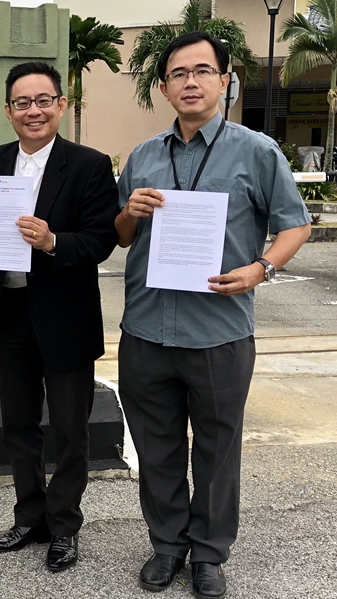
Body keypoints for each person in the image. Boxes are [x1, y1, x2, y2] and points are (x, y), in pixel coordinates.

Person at [115, 32, 311, 599]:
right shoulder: (144, 156)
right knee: (156, 448)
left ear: (225, 81)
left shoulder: (257, 151)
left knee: (218, 451)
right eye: (179, 73)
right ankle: (167, 546)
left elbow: (295, 224)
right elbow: (121, 236)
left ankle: (208, 553)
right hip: (146, 329)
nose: (191, 82)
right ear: (164, 87)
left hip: (219, 332)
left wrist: (261, 269)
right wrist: (129, 211)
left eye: (203, 71)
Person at [0, 61, 119, 571]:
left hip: (65, 316)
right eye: (22, 103)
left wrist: (51, 242)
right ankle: (29, 517)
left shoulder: (89, 165)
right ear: (8, 111)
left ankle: (64, 526)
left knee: (70, 430)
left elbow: (101, 240)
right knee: (19, 426)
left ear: (61, 105)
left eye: (43, 100)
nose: (33, 111)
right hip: (8, 313)